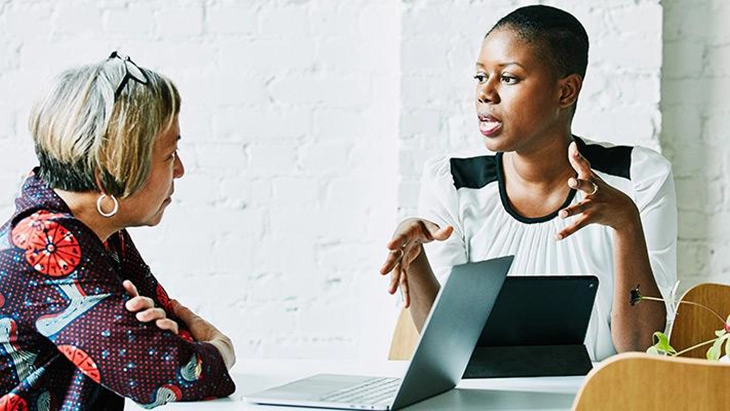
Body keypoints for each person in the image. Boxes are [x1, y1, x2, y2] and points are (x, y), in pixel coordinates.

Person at [380, 5, 676, 361]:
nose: (485, 93)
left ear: (565, 92)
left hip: (598, 397)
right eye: (479, 77)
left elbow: (642, 347)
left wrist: (626, 223)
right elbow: (449, 352)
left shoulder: (637, 178)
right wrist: (415, 261)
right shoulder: (453, 184)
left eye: (508, 78)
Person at [0, 52, 236, 409]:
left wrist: (168, 344)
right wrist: (221, 348)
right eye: (170, 154)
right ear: (115, 166)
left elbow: (172, 334)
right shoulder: (45, 244)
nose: (181, 170)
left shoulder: (98, 235)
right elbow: (166, 373)